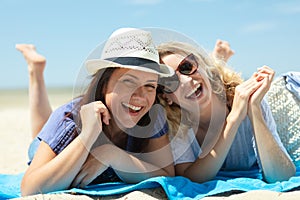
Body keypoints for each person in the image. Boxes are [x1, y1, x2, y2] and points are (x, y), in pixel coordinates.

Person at [16, 28, 175, 196]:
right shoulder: (69, 118)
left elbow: (166, 174)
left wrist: (111, 155)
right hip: (58, 140)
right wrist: (87, 136)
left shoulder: (153, 117)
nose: (140, 96)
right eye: (128, 81)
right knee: (40, 132)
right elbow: (30, 189)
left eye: (150, 85)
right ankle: (35, 71)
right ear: (103, 84)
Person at [156, 41, 296, 184]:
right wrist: (233, 120)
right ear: (166, 97)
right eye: (171, 82)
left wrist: (254, 109)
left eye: (187, 67)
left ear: (202, 66)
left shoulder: (249, 100)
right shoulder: (175, 125)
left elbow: (281, 176)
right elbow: (190, 179)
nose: (186, 81)